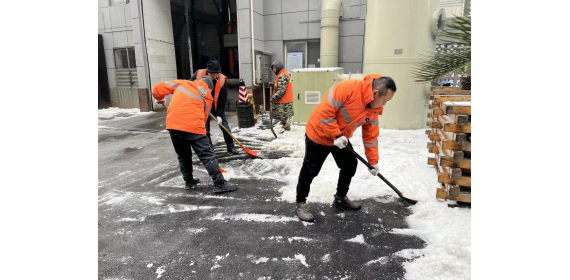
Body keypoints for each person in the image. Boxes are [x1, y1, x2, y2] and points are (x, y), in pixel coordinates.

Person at [293, 75, 397, 222]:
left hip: (340, 138)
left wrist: (373, 161)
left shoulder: (374, 109)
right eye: (385, 100)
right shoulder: (347, 88)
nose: (384, 104)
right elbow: (325, 113)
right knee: (310, 170)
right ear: (374, 93)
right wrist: (336, 135)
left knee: (349, 164)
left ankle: (340, 198)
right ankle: (300, 203)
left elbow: (371, 137)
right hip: (319, 133)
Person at [152, 76, 238, 194]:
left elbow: (157, 88)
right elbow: (203, 119)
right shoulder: (208, 96)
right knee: (207, 156)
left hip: (173, 125)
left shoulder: (183, 83)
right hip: (193, 126)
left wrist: (160, 98)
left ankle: (189, 181)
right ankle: (220, 183)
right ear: (210, 88)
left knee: (183, 155)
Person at [190, 60, 238, 155]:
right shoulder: (198, 74)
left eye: (217, 74)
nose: (215, 76)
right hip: (203, 107)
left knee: (225, 127)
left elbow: (223, 98)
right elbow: (189, 86)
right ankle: (210, 149)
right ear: (208, 72)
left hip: (216, 108)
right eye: (213, 74)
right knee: (205, 130)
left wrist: (219, 114)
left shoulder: (222, 79)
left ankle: (231, 147)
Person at [268, 60, 294, 133]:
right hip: (284, 101)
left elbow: (281, 91)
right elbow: (280, 85)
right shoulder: (281, 74)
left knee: (284, 118)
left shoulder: (282, 75)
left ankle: (287, 131)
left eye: (274, 68)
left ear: (278, 67)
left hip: (284, 102)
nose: (273, 70)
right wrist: (273, 84)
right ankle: (286, 130)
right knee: (283, 118)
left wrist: (272, 98)